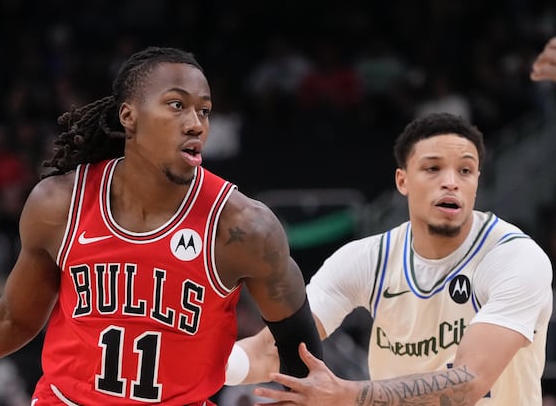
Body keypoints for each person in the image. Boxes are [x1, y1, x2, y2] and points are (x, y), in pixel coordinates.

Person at [0, 46, 322, 404]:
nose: (196, 124)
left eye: (204, 111)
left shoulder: (243, 227)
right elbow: (12, 322)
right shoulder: (59, 204)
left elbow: (303, 358)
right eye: (177, 105)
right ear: (128, 116)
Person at [229, 112, 553, 405]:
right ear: (402, 181)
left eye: (465, 170)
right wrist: (203, 367)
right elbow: (274, 348)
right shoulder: (366, 259)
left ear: (477, 182)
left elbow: (468, 382)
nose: (451, 181)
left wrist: (348, 395)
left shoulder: (515, 258)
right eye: (433, 168)